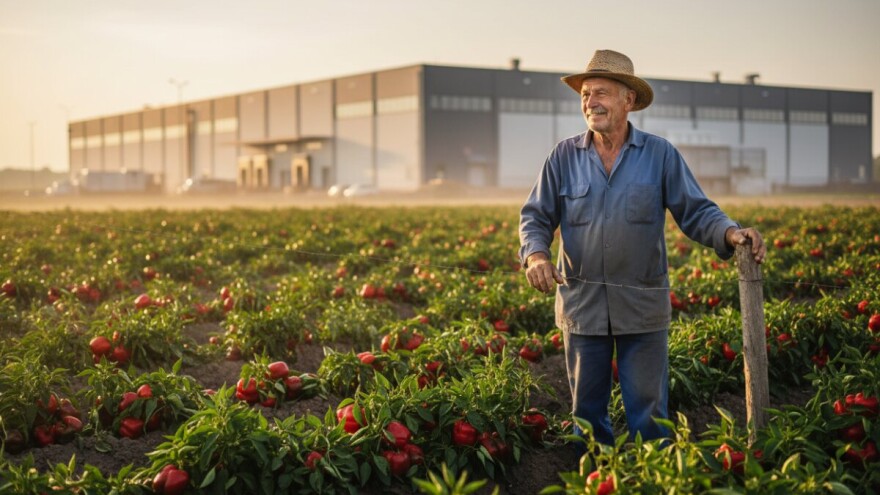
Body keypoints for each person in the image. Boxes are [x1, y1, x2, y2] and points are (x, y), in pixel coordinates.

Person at [518, 49, 766, 446]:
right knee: (586, 416)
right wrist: (535, 255)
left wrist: (731, 234)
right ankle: (596, 481)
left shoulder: (659, 155)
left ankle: (652, 481)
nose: (590, 102)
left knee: (650, 416)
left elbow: (696, 210)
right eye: (585, 95)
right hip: (583, 308)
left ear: (628, 100)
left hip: (643, 309)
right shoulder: (563, 157)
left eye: (600, 92)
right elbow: (536, 216)